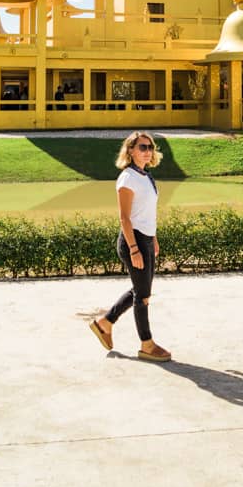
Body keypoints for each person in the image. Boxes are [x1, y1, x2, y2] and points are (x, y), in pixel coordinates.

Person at [90, 131, 171, 362]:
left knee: (140, 290)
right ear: (131, 151)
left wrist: (153, 238)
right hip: (132, 240)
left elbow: (146, 213)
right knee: (143, 295)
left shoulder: (145, 176)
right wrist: (135, 249)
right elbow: (125, 218)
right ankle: (146, 344)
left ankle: (104, 323)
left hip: (145, 238)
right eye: (142, 147)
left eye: (150, 147)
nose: (148, 151)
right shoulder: (127, 178)